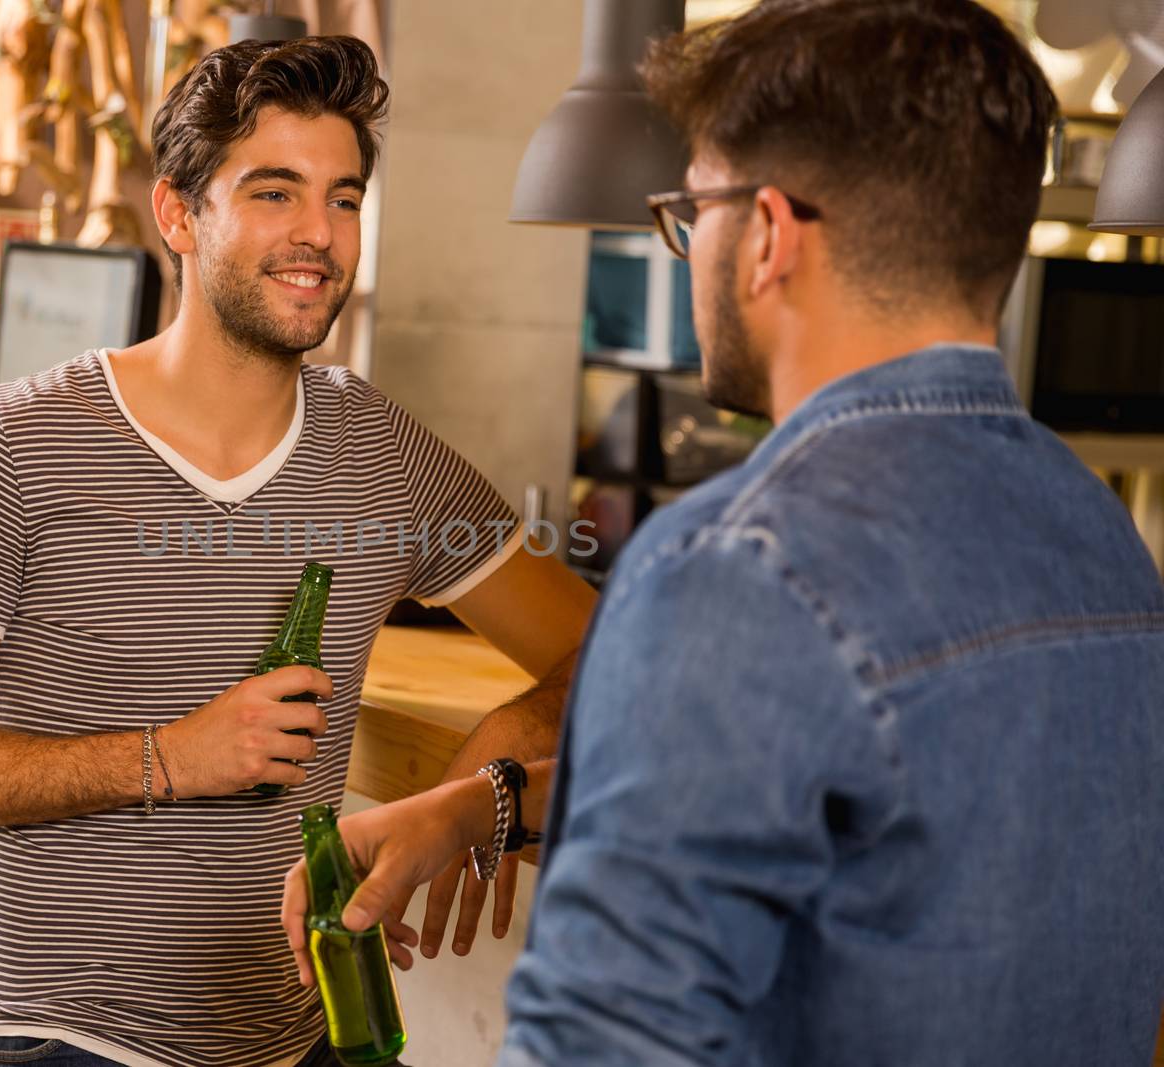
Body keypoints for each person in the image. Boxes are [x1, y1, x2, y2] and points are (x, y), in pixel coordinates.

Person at [282, 3, 1164, 1065]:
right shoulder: (1102, 538)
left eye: (688, 210)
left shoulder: (736, 565)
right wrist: (490, 803)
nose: (683, 249)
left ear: (769, 235)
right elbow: (857, 815)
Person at [0, 34, 597, 1067]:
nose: (318, 235)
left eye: (343, 198)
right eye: (275, 193)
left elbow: (611, 644)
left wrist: (473, 784)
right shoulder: (20, 441)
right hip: (50, 1033)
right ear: (179, 214)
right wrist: (168, 758)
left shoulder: (381, 454)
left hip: (292, 1036)